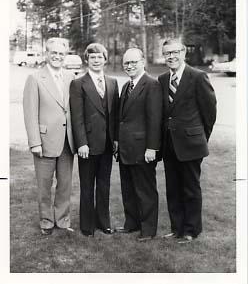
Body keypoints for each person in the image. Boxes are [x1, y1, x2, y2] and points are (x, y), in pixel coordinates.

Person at [158, 38, 217, 244]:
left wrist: (200, 137)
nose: (171, 57)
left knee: (190, 188)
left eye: (175, 52)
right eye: (167, 53)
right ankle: (177, 228)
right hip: (169, 144)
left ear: (183, 53)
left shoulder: (198, 76)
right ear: (164, 56)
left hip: (191, 144)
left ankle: (191, 230)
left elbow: (209, 112)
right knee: (173, 188)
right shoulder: (163, 79)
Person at [23, 37, 75, 235]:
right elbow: (30, 113)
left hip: (67, 142)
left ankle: (62, 221)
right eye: (53, 53)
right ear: (47, 54)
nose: (57, 57)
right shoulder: (35, 78)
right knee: (44, 186)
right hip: (44, 142)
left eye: (61, 53)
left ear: (65, 56)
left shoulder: (71, 77)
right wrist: (34, 142)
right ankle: (46, 221)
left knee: (65, 185)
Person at [69, 43, 119, 237]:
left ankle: (103, 222)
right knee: (87, 185)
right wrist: (81, 143)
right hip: (88, 145)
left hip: (107, 143)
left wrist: (115, 140)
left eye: (100, 57)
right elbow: (77, 116)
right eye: (93, 57)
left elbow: (114, 115)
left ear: (105, 60)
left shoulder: (113, 82)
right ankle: (87, 224)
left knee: (104, 185)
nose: (96, 60)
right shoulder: (78, 83)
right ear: (87, 60)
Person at [116, 48, 162, 242]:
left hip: (143, 150)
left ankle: (148, 229)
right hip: (126, 148)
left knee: (145, 190)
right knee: (128, 189)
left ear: (143, 61)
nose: (130, 66)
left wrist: (152, 147)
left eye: (134, 62)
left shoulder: (152, 85)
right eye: (126, 63)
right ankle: (132, 223)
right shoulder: (127, 86)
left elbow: (155, 119)